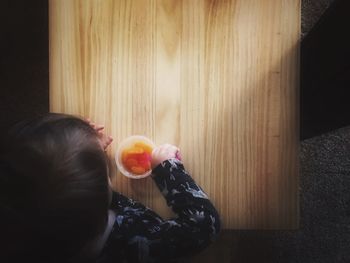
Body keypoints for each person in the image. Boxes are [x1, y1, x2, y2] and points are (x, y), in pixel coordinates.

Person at [0, 113, 221, 263]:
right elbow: (203, 228)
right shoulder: (136, 244)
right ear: (100, 197)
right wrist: (168, 170)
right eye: (105, 172)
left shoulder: (28, 226)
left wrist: (83, 144)